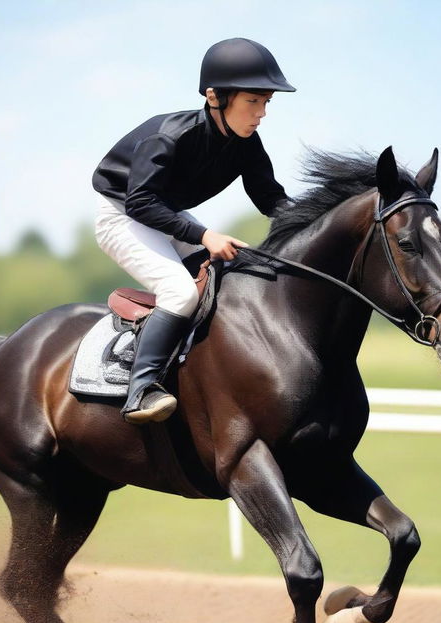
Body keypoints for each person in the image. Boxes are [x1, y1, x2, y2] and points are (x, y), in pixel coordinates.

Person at [92, 37, 296, 425]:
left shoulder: (247, 144)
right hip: (122, 214)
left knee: (233, 276)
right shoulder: (169, 136)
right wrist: (204, 236)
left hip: (166, 215)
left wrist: (317, 222)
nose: (262, 113)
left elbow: (271, 198)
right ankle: (141, 390)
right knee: (180, 291)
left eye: (266, 102)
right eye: (253, 101)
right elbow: (140, 203)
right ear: (216, 97)